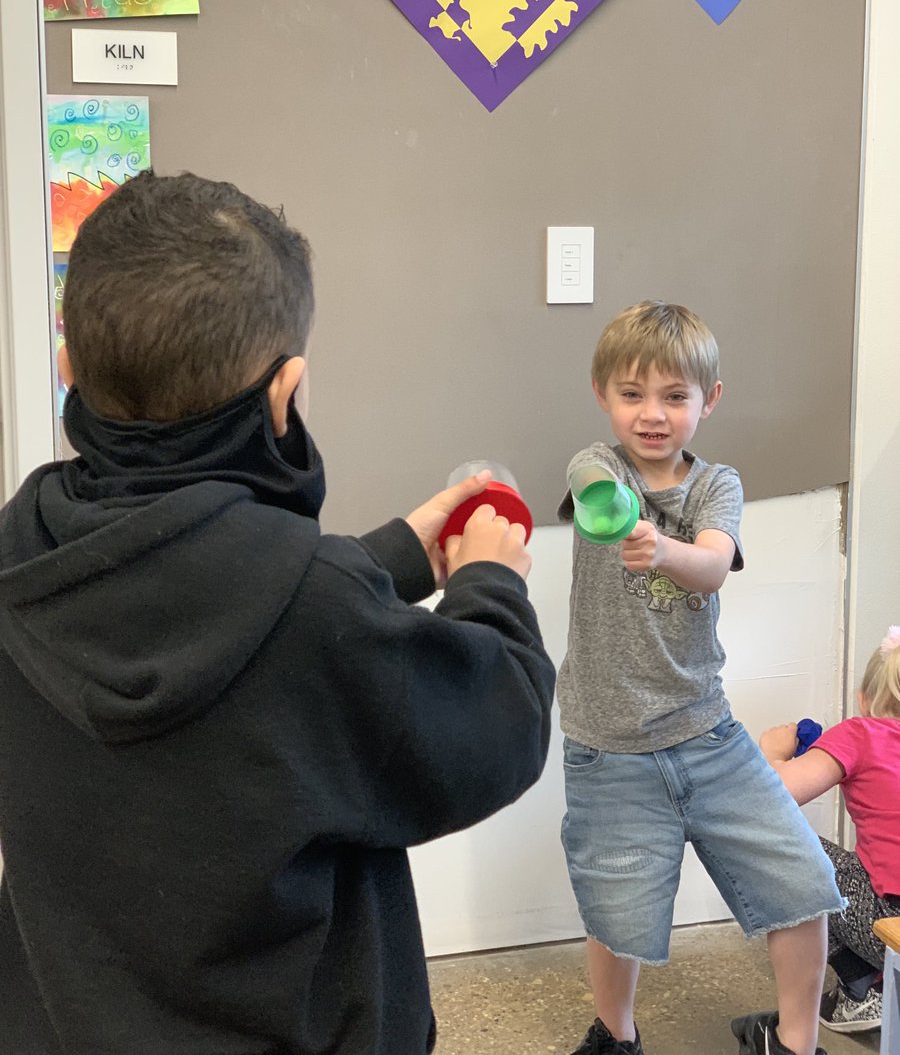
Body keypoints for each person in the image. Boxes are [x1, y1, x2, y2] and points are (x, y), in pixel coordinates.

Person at [0, 170, 556, 1055]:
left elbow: (205, 598)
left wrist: (396, 555)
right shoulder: (314, 603)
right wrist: (489, 582)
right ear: (284, 392)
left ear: (70, 372)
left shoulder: (21, 558)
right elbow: (500, 726)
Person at [557, 301, 845, 1055]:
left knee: (801, 882)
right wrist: (615, 509)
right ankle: (616, 1037)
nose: (652, 414)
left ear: (708, 400)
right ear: (602, 394)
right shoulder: (599, 466)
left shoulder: (718, 484)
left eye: (674, 396)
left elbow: (714, 564)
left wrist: (661, 548)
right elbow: (586, 479)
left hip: (707, 735)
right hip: (607, 747)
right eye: (632, 394)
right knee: (615, 915)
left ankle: (795, 1043)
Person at [759, 626, 900, 1034]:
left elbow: (775, 795)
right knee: (859, 868)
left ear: (863, 698)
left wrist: (771, 752)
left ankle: (862, 987)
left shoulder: (860, 733)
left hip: (889, 924)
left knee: (776, 846)